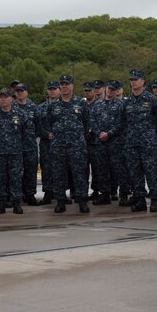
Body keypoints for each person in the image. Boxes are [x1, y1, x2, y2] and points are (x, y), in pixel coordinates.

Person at [43, 75, 91, 213]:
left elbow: (87, 122)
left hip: (77, 145)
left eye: (67, 84)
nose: (64, 86)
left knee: (80, 173)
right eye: (62, 84)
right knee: (58, 174)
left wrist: (79, 136)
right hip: (58, 145)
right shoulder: (53, 105)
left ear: (72, 86)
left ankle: (82, 200)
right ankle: (60, 201)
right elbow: (48, 122)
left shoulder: (80, 103)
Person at [123, 69, 157, 212]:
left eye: (136, 79)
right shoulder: (127, 102)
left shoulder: (151, 99)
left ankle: (155, 198)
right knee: (135, 172)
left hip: (148, 143)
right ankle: (140, 199)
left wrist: (152, 132)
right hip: (132, 143)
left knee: (151, 171)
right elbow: (123, 122)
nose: (133, 82)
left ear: (143, 82)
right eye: (132, 80)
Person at [0, 88, 26, 214]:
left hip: (15, 153)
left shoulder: (20, 114)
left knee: (16, 178)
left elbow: (26, 133)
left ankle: (16, 203)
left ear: (11, 99)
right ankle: (1, 203)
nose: (2, 99)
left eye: (5, 97)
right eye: (1, 97)